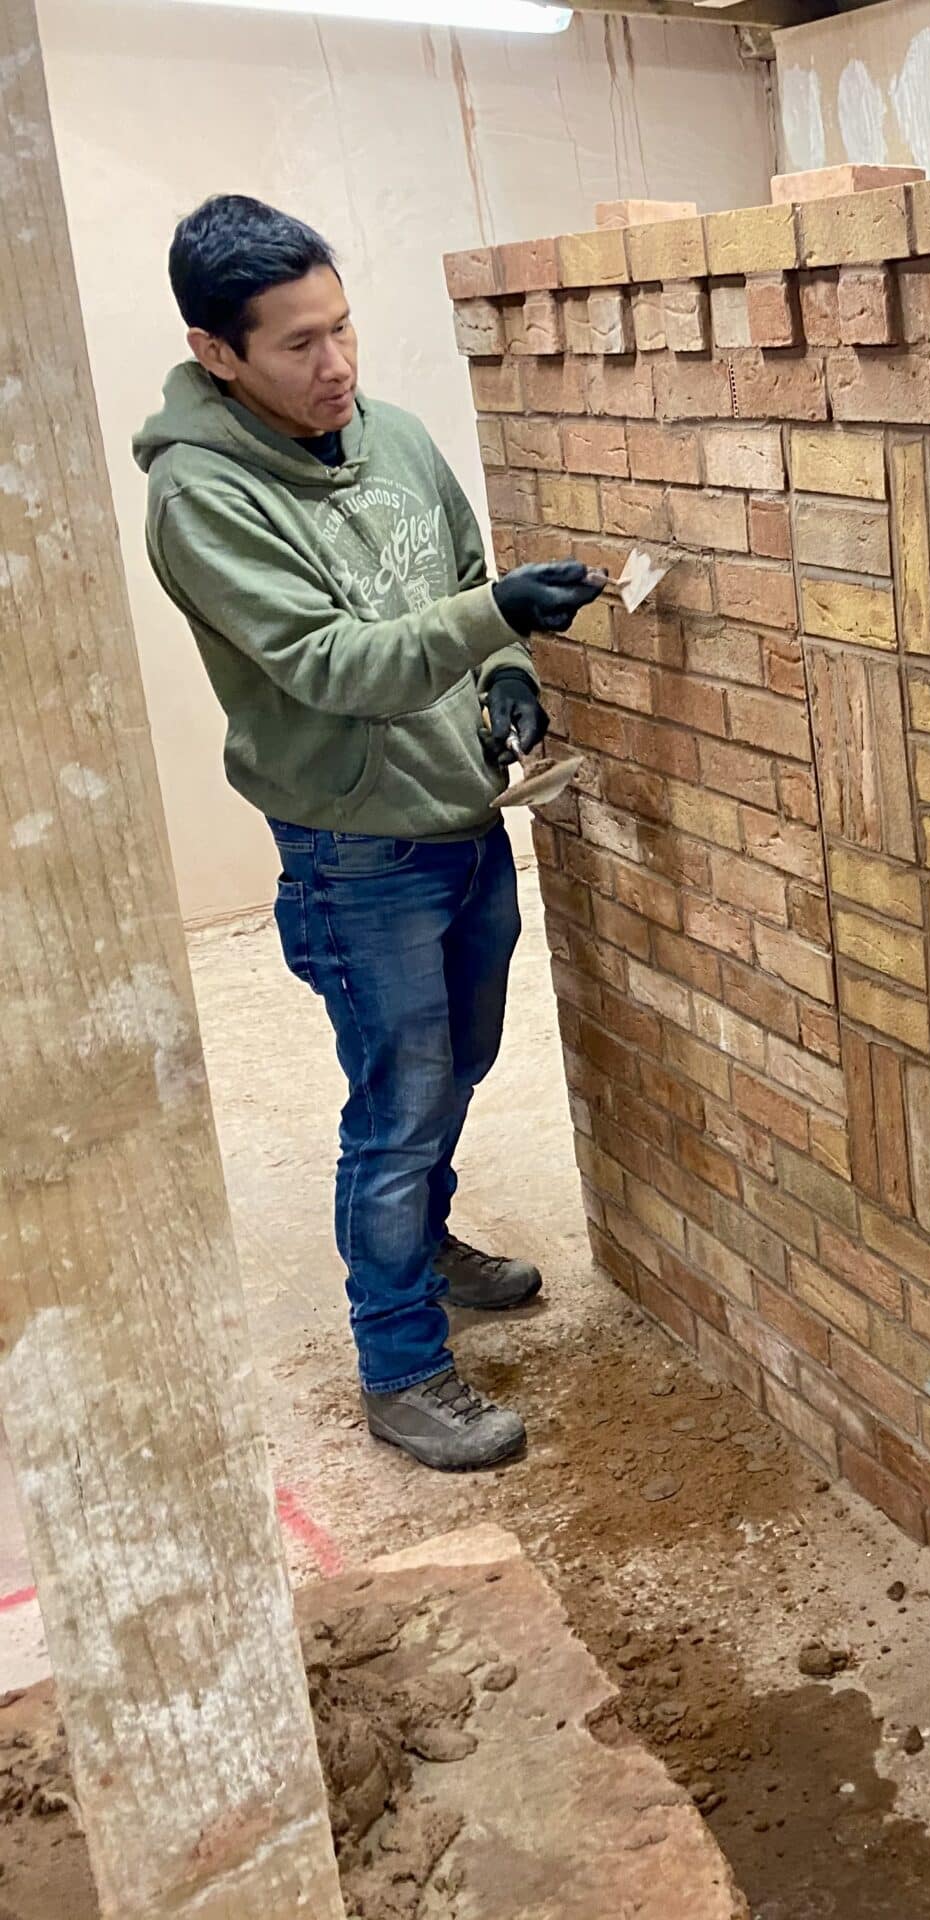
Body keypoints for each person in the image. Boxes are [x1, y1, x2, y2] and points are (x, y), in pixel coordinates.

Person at [134, 195, 604, 1470]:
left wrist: (502, 660)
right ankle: (401, 1363)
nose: (336, 365)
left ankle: (426, 1246)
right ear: (216, 352)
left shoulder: (387, 434)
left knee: (459, 1068)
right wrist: (493, 611)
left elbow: (457, 576)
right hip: (356, 849)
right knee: (396, 1105)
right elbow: (330, 664)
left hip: (460, 817)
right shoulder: (202, 499)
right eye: (296, 344)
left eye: (342, 328)